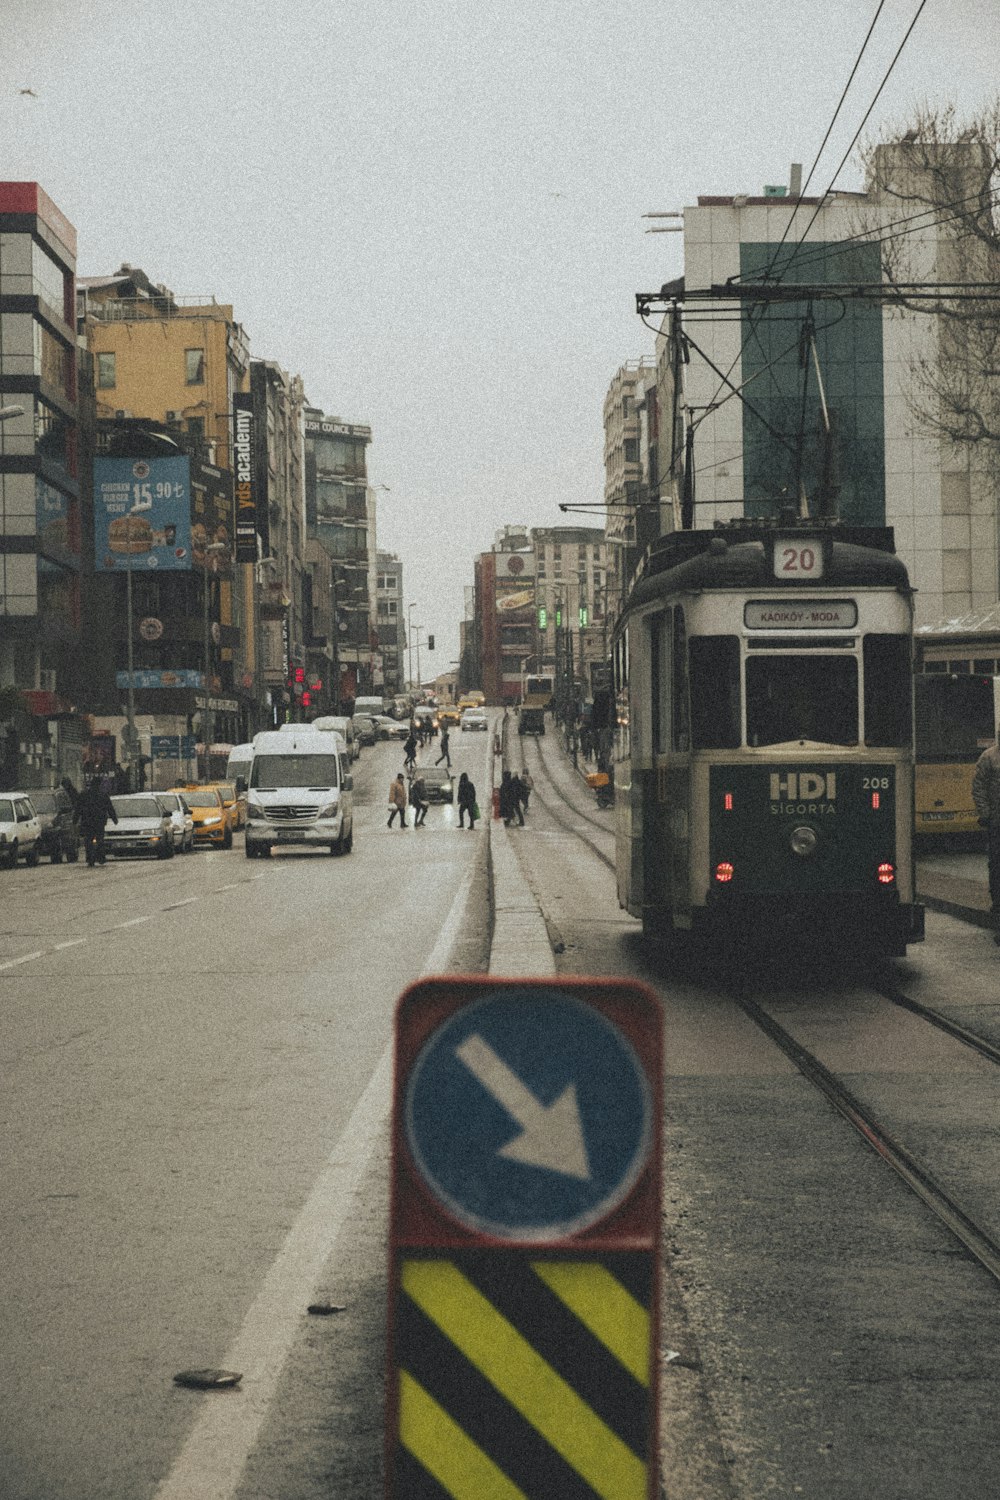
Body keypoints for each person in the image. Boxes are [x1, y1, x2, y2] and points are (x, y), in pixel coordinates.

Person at [972, 734, 1000, 944]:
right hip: (997, 823)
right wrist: (986, 815)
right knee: (997, 869)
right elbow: (979, 787)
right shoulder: (989, 757)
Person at [77, 778, 118, 866]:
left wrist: (75, 820)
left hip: (87, 822)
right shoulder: (103, 795)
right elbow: (109, 808)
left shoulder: (84, 795)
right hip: (99, 822)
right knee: (100, 840)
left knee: (88, 841)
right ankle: (101, 857)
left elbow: (78, 808)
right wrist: (114, 819)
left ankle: (90, 859)